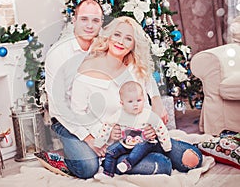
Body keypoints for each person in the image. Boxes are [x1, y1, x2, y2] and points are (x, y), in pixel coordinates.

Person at [44, 0, 173, 179]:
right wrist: (90, 139)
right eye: (84, 19)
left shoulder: (107, 42)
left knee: (123, 144)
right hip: (67, 119)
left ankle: (120, 158)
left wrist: (157, 101)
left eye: (95, 20)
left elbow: (141, 70)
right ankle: (60, 160)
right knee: (88, 166)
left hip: (97, 117)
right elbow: (59, 107)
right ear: (73, 20)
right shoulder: (59, 54)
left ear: (101, 23)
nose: (89, 26)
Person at [69, 15, 203, 177]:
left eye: (128, 39)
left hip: (144, 137)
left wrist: (152, 120)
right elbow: (78, 114)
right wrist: (105, 133)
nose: (120, 42)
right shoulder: (87, 71)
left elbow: (148, 90)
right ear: (109, 36)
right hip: (114, 142)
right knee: (162, 166)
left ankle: (144, 154)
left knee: (194, 158)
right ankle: (120, 160)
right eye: (117, 35)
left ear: (133, 45)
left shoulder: (135, 67)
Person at [90, 81, 172, 178]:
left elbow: (160, 128)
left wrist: (166, 145)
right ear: (122, 103)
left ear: (143, 99)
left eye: (139, 100)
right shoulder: (119, 114)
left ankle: (128, 163)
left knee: (139, 149)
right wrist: (99, 141)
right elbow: (107, 126)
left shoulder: (147, 114)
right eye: (130, 102)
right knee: (110, 152)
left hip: (145, 143)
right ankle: (108, 173)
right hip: (125, 143)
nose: (135, 105)